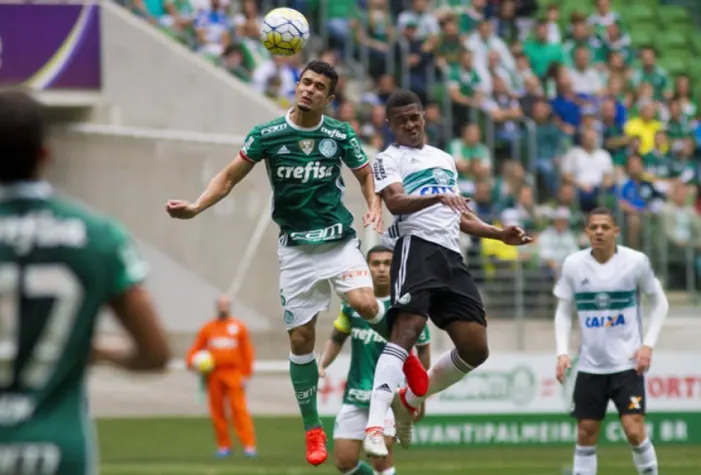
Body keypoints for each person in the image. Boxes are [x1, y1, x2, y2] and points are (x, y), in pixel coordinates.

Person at [165, 61, 426, 466]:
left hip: (338, 242)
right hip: (296, 252)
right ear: (297, 85)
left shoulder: (338, 133)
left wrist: (374, 205)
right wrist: (197, 206)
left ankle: (404, 356)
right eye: (305, 82)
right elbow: (230, 175)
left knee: (366, 303)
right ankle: (312, 428)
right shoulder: (267, 135)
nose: (308, 90)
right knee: (301, 340)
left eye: (318, 87)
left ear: (329, 97)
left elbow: (364, 176)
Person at [0, 90, 171, 475]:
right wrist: (95, 350)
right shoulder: (97, 236)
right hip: (58, 452)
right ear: (45, 154)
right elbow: (154, 353)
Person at [364, 89, 532, 456]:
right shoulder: (387, 159)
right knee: (406, 330)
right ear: (390, 125)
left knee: (476, 348)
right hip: (416, 247)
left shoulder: (443, 158)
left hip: (451, 255)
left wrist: (499, 234)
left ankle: (407, 400)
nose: (410, 124)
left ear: (424, 116)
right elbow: (394, 201)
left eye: (415, 116)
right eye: (402, 120)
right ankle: (376, 425)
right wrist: (437, 197)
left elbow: (461, 214)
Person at [554, 207, 668, 475]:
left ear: (616, 231)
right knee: (586, 431)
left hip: (627, 364)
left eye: (605, 227)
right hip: (591, 366)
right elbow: (562, 310)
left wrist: (648, 345)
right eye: (594, 227)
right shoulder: (573, 264)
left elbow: (660, 303)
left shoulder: (636, 262)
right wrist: (561, 352)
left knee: (633, 429)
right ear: (586, 232)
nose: (599, 232)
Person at [319, 245, 431, 475]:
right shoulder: (354, 304)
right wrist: (322, 364)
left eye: (388, 263)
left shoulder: (408, 306)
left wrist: (419, 395)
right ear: (367, 267)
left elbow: (423, 351)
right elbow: (336, 338)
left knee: (381, 460)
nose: (381, 269)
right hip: (355, 394)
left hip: (391, 398)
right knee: (344, 462)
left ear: (396, 267)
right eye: (376, 263)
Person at [186, 295, 256, 458]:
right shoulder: (208, 329)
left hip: (234, 374)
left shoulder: (238, 328)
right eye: (220, 305)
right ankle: (224, 445)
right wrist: (192, 363)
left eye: (226, 305)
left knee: (239, 410)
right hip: (214, 375)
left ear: (229, 307)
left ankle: (249, 445)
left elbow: (247, 352)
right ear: (216, 307)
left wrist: (246, 374)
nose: (223, 308)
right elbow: (195, 349)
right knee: (217, 411)